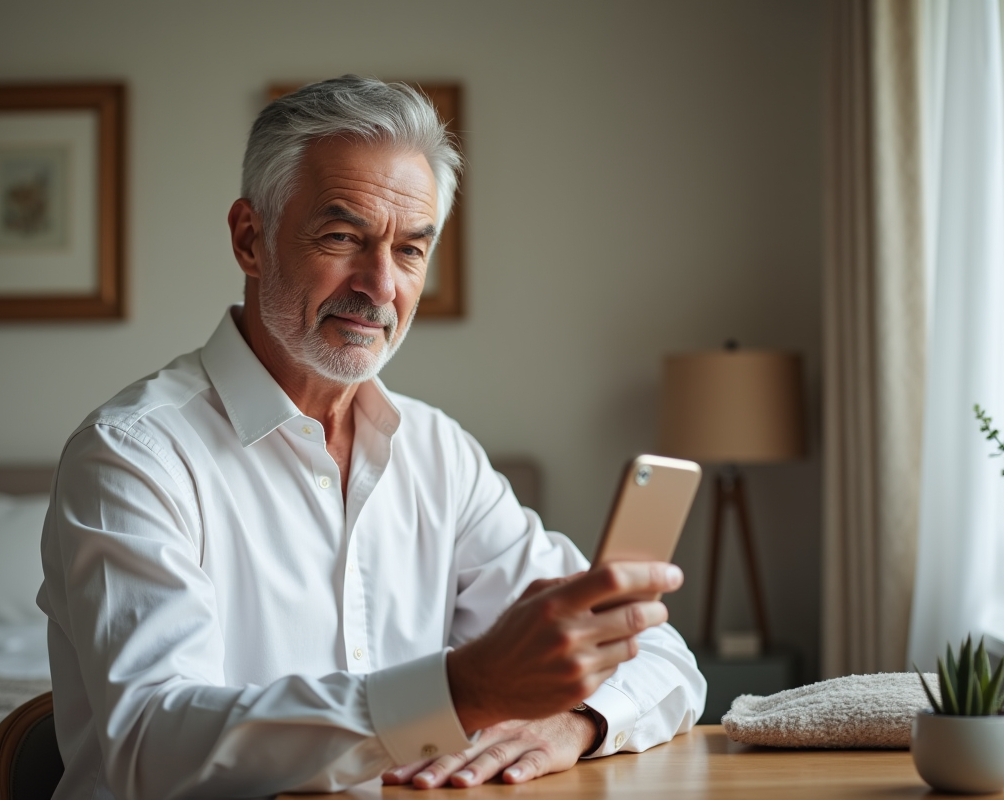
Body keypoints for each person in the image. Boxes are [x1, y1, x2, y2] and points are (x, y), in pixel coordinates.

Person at [38, 75, 706, 800]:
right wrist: (464, 691)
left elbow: (660, 657)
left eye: (411, 251)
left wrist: (576, 720)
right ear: (249, 238)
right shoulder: (134, 456)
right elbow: (153, 745)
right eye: (343, 237)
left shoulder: (438, 454)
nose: (381, 286)